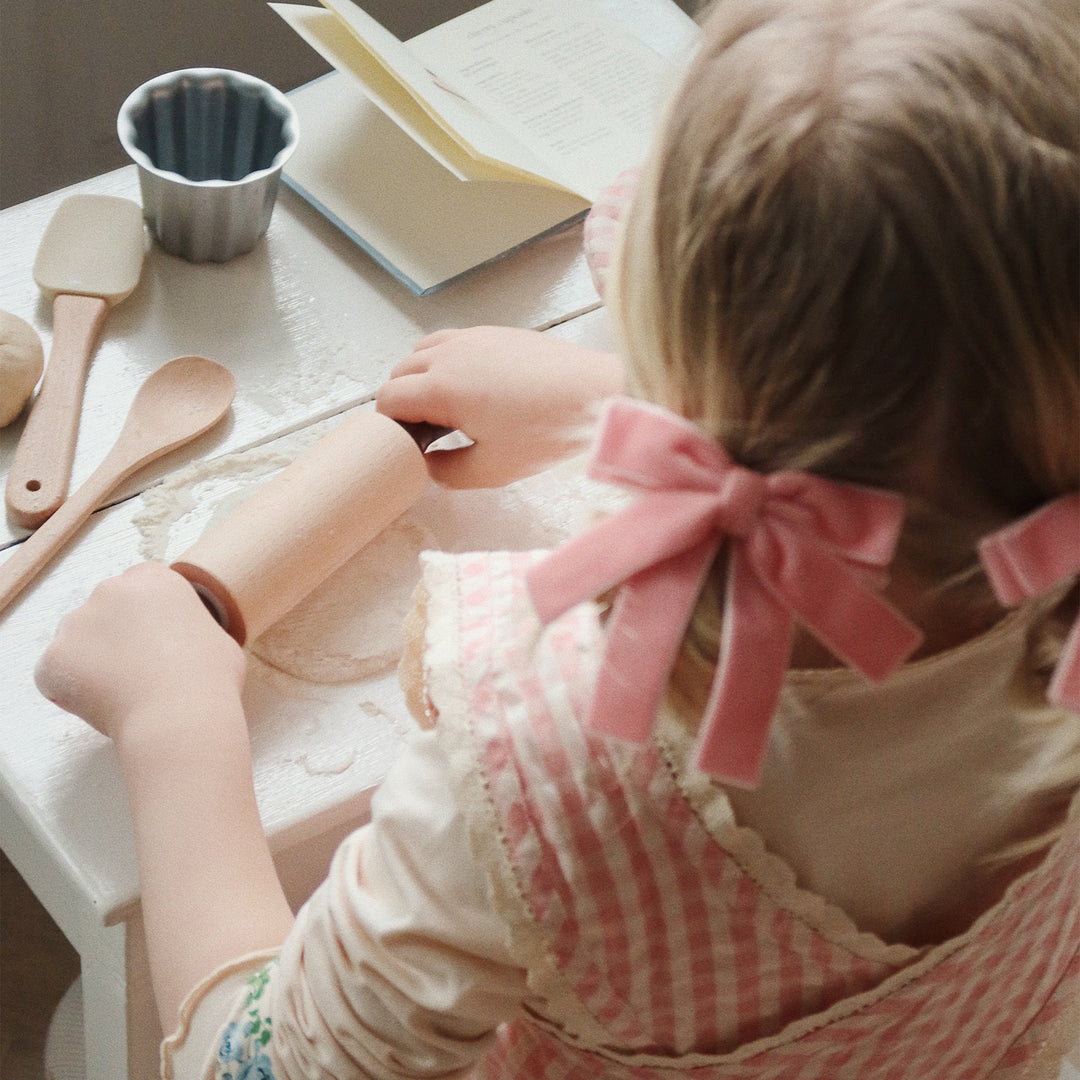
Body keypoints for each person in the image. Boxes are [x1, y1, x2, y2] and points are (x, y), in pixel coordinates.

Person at [33, 0, 1080, 1076]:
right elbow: (917, 454)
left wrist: (178, 722)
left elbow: (266, 1069)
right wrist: (606, 403)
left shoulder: (546, 783)